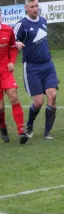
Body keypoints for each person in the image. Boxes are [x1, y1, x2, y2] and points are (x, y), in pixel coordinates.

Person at [13, 0, 59, 140]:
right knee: (38, 102)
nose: (35, 9)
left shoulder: (43, 21)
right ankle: (30, 125)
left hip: (48, 65)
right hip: (32, 68)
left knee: (52, 95)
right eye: (32, 6)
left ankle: (47, 132)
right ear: (26, 8)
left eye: (36, 6)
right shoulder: (22, 24)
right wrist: (17, 44)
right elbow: (12, 41)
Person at [0, 10, 27, 144]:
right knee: (0, 108)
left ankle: (21, 131)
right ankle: (3, 127)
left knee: (14, 96)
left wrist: (11, 61)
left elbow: (12, 47)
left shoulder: (7, 30)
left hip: (5, 71)